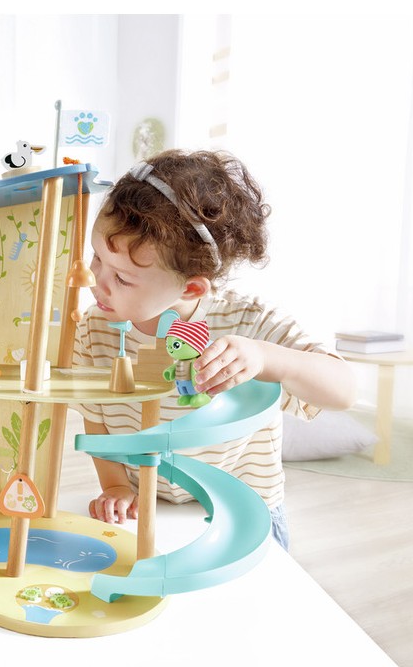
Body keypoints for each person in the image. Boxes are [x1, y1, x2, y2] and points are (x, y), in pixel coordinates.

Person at [73, 150, 356, 550]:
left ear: (191, 288)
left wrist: (266, 358)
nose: (95, 280)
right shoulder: (95, 328)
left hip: (241, 514)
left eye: (121, 278)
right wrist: (115, 485)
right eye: (97, 257)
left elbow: (344, 390)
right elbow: (96, 417)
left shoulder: (249, 321)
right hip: (148, 508)